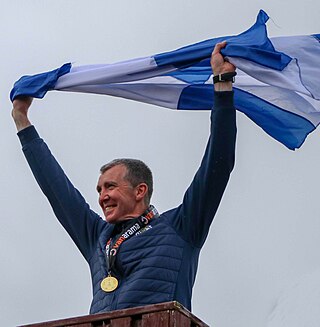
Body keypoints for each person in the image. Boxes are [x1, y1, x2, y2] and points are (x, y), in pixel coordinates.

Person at [11, 42, 236, 314]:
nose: (102, 196)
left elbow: (217, 165)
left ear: (140, 190)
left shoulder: (181, 227)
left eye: (110, 186)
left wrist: (222, 86)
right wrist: (22, 121)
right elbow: (56, 189)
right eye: (99, 189)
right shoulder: (97, 237)